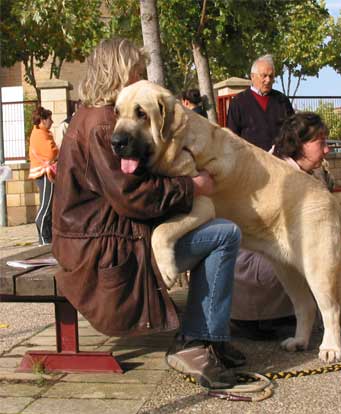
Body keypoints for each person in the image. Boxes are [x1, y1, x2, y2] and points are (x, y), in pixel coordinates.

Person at [51, 38, 244, 388]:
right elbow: (133, 199)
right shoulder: (103, 125)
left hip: (93, 240)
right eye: (137, 73)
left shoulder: (91, 113)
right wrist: (194, 186)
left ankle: (212, 335)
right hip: (105, 250)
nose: (143, 80)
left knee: (212, 228)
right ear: (119, 73)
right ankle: (195, 341)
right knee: (224, 234)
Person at [230, 112, 333, 339]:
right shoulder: (280, 176)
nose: (327, 150)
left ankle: (292, 315)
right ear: (299, 144)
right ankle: (269, 318)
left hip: (263, 258)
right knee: (316, 256)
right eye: (320, 142)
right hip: (252, 265)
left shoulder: (302, 171)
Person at [226, 54, 294, 151]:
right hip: (251, 161)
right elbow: (232, 137)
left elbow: (293, 130)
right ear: (252, 77)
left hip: (279, 160)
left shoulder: (282, 100)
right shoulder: (238, 102)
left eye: (271, 76)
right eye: (264, 76)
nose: (268, 80)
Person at [28, 106, 58, 245]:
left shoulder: (42, 132)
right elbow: (51, 153)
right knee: (45, 206)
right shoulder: (40, 134)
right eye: (49, 119)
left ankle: (46, 237)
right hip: (44, 173)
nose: (51, 121)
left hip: (45, 172)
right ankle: (44, 237)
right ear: (42, 120)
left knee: (48, 206)